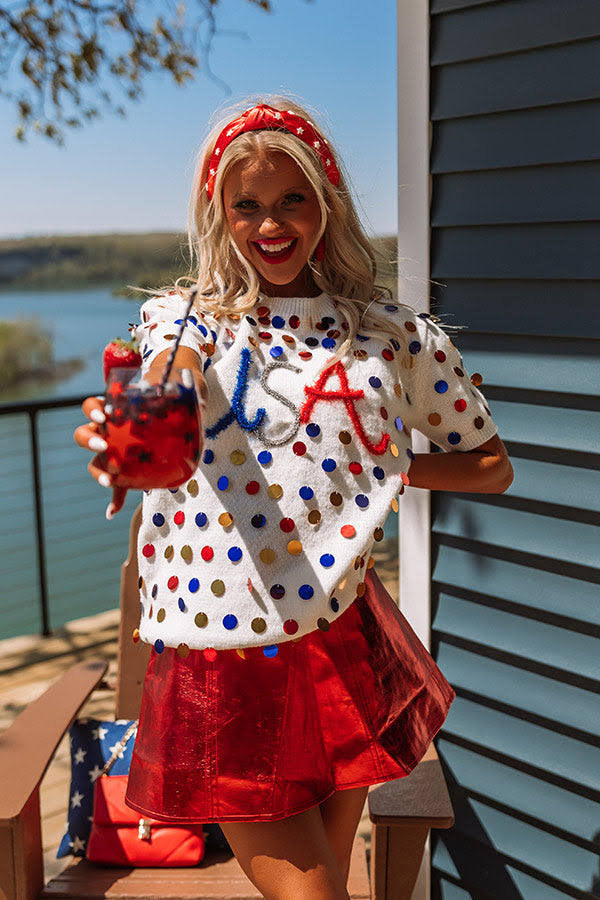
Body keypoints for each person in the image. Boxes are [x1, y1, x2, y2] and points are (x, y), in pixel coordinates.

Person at [74, 96, 513, 899]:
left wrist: (387, 466)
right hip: (223, 656)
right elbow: (171, 377)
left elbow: (489, 466)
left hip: (341, 640)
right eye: (246, 205)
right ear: (219, 214)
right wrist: (137, 438)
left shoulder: (395, 336)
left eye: (291, 200)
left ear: (327, 203)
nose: (269, 225)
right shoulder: (186, 322)